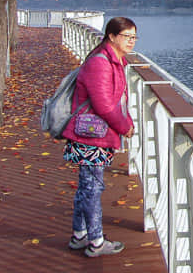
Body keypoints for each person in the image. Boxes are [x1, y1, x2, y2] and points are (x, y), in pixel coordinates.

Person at [61, 17, 137, 257]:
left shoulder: (114, 60)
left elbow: (117, 99)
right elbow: (104, 105)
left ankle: (79, 235)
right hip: (90, 134)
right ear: (112, 36)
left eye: (134, 37)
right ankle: (95, 242)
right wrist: (125, 126)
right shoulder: (101, 63)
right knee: (92, 187)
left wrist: (128, 121)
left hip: (95, 132)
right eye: (127, 36)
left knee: (87, 186)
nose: (132, 41)